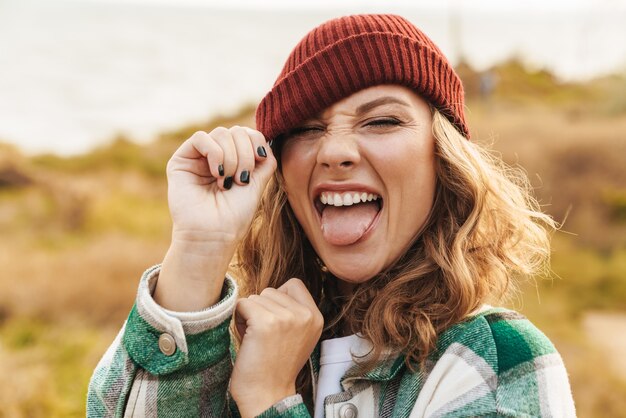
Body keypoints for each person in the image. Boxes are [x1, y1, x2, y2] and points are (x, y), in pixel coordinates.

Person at [87, 14, 576, 417]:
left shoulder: (493, 361)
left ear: (442, 158)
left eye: (381, 120)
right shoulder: (245, 346)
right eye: (306, 129)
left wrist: (271, 400)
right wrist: (199, 248)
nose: (335, 152)